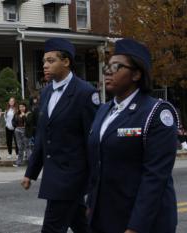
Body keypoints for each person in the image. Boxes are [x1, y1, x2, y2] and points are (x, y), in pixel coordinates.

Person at [87, 39, 178, 233]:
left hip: (141, 221)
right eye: (107, 66)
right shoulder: (104, 111)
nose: (108, 71)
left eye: (116, 66)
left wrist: (136, 227)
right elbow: (97, 164)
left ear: (136, 73)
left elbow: (155, 177)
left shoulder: (156, 113)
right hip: (104, 217)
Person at [21, 38, 100, 233]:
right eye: (43, 62)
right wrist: (31, 172)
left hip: (72, 178)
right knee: (81, 224)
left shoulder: (85, 93)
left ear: (66, 62)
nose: (45, 66)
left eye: (50, 61)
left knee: (52, 228)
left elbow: (93, 140)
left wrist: (94, 182)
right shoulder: (47, 92)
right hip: (54, 175)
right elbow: (43, 135)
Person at [12, 102, 31, 167]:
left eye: (23, 107)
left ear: (25, 107)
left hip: (25, 130)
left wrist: (24, 116)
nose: (21, 108)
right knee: (20, 147)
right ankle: (19, 162)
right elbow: (13, 121)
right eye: (20, 107)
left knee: (27, 146)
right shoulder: (16, 114)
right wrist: (15, 125)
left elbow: (29, 122)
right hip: (17, 130)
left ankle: (30, 162)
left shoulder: (28, 113)